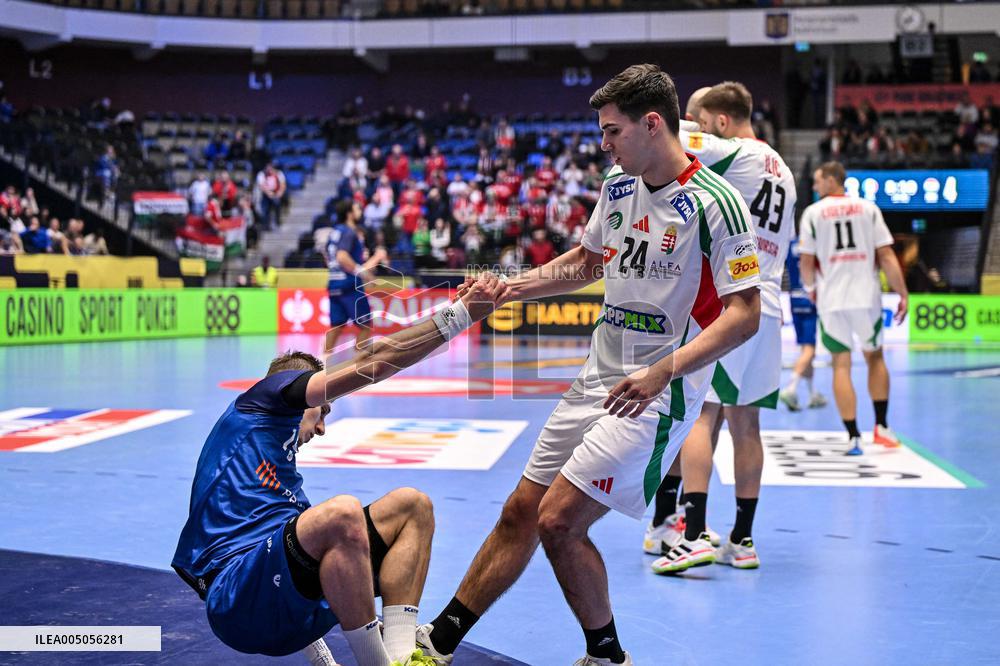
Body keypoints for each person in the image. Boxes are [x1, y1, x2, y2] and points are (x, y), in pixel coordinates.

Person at [417, 64, 762, 666]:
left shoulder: (717, 204)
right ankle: (440, 642)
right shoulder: (618, 186)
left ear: (652, 124)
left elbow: (745, 315)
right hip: (597, 373)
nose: (602, 143)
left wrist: (664, 371)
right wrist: (510, 287)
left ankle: (607, 657)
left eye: (612, 131)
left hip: (659, 390)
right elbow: (585, 261)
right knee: (521, 511)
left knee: (557, 521)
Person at [172, 274, 508, 666]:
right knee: (342, 514)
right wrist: (461, 314)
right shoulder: (261, 402)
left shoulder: (283, 484)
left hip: (283, 609)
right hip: (235, 602)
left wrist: (323, 661)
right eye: (322, 411)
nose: (322, 427)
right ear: (297, 389)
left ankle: (402, 658)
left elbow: (297, 576)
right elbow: (373, 363)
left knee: (413, 507)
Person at [643, 81, 798, 573]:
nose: (701, 130)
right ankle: (743, 538)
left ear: (722, 122)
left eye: (704, 121)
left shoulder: (735, 152)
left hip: (735, 304)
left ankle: (691, 532)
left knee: (700, 416)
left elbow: (669, 139)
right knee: (747, 424)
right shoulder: (787, 172)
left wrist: (669, 118)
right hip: (770, 306)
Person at [799, 161, 909, 456]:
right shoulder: (868, 208)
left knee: (841, 364)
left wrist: (811, 290)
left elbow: (806, 262)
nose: (814, 186)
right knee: (875, 357)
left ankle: (852, 437)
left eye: (818, 180)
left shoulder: (812, 213)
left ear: (833, 180)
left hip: (832, 300)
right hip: (866, 297)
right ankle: (882, 427)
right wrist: (902, 293)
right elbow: (886, 255)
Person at [324, 200, 389, 355]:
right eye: (357, 208)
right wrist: (362, 271)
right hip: (349, 285)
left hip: (334, 283)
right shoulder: (349, 232)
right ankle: (356, 366)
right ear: (349, 213)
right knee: (366, 326)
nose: (360, 210)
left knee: (337, 326)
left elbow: (329, 256)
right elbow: (341, 256)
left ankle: (322, 362)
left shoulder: (334, 232)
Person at [778, 235, 827, 411]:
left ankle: (813, 393)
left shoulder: (790, 243)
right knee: (810, 349)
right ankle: (790, 388)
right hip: (810, 297)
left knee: (806, 349)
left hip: (794, 297)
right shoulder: (815, 243)